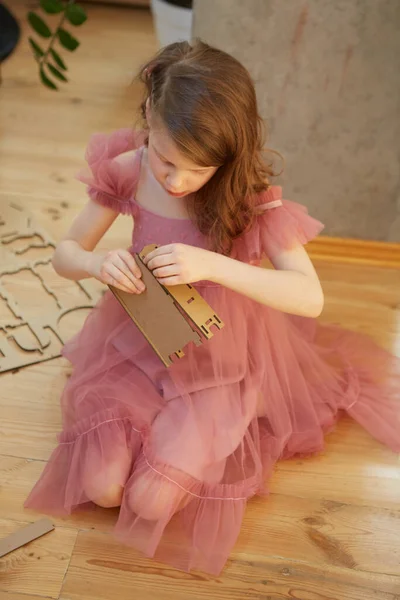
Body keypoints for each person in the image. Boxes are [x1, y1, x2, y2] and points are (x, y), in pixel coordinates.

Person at [25, 40, 399, 575]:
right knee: (103, 489)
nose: (176, 180)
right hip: (138, 339)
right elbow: (66, 253)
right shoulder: (130, 167)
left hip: (216, 358)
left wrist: (213, 266)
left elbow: (308, 297)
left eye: (197, 169)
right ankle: (152, 431)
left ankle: (199, 425)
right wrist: (95, 264)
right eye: (166, 159)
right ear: (148, 117)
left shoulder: (247, 193)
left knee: (151, 501)